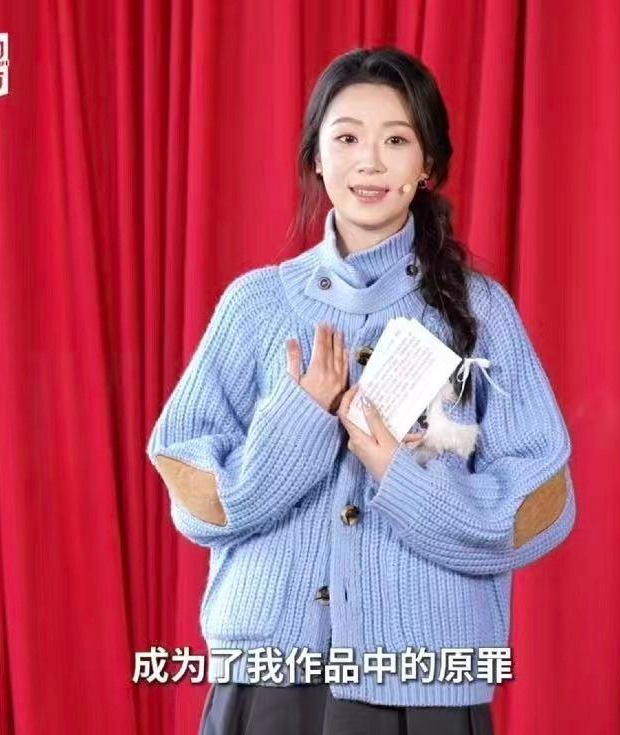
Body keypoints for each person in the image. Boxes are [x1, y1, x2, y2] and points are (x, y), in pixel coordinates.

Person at [147, 45, 577, 735]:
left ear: (427, 165)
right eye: (347, 138)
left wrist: (399, 474)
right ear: (316, 157)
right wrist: (300, 423)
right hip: (269, 683)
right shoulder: (256, 305)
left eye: (396, 140)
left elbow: (542, 504)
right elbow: (191, 485)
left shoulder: (479, 312)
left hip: (426, 688)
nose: (370, 162)